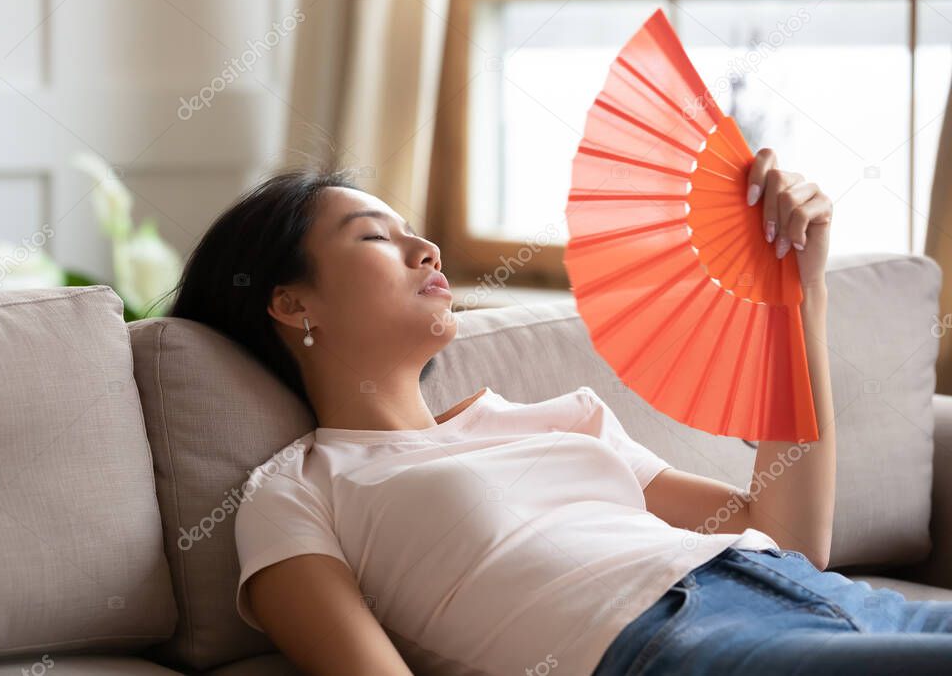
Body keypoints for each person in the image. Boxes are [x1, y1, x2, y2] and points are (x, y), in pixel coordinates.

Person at [166, 150, 952, 676]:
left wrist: (796, 294)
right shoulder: (297, 488)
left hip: (834, 599)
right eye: (376, 236)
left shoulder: (555, 415)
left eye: (417, 233)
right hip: (677, 644)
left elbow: (790, 540)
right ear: (291, 302)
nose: (427, 248)